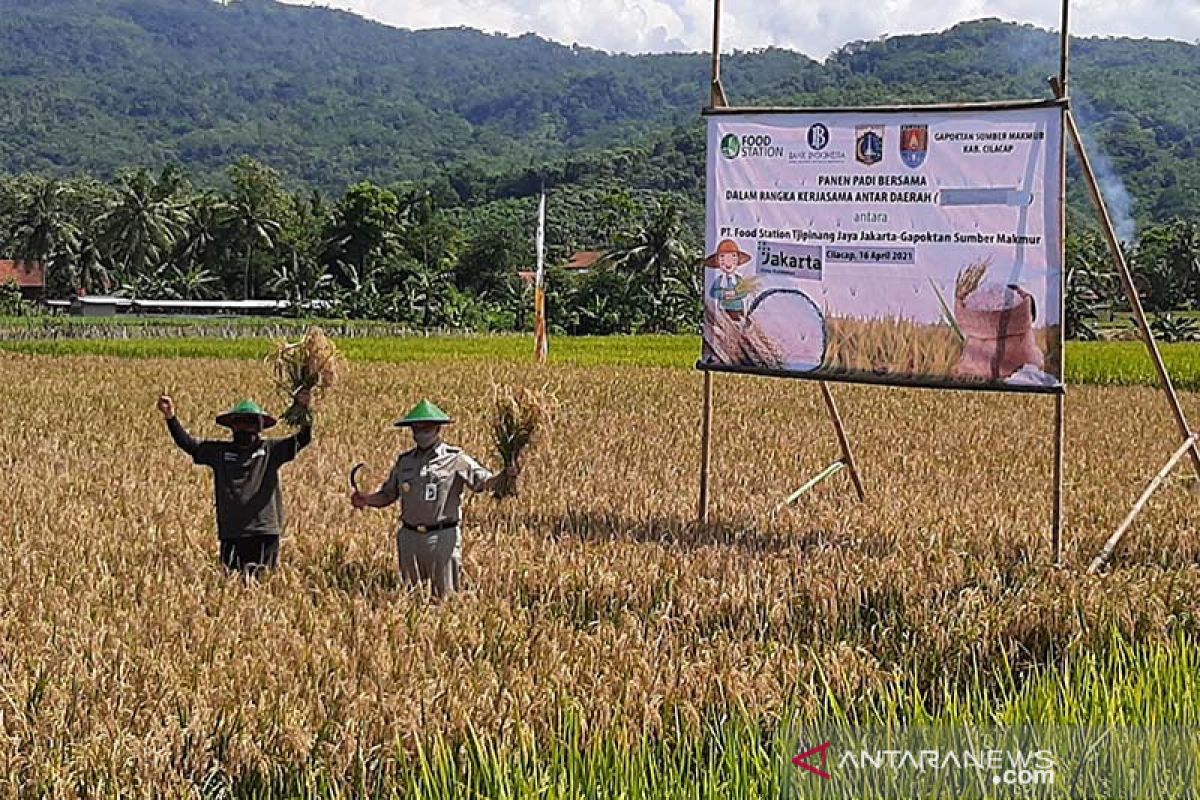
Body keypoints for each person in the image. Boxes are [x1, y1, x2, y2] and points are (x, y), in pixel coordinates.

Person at [350, 399, 517, 598]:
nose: (421, 432)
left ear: (438, 428)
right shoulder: (405, 462)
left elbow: (483, 482)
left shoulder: (455, 458)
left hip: (441, 538)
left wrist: (505, 476)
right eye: (416, 428)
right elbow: (388, 495)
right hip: (409, 538)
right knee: (411, 598)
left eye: (426, 427)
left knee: (445, 599)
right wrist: (366, 499)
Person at [157, 391, 312, 576]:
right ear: (232, 426)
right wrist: (170, 417)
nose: (245, 428)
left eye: (250, 423)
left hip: (264, 532)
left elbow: (303, 439)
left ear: (260, 427)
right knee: (232, 585)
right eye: (240, 423)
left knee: (264, 586)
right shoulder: (220, 452)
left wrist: (304, 409)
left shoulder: (270, 451)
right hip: (233, 532)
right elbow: (189, 445)